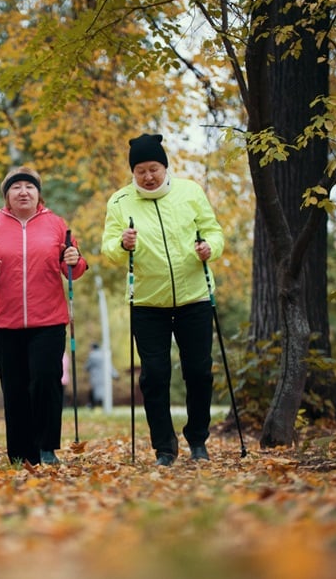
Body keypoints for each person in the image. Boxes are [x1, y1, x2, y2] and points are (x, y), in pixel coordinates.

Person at [101, 133, 225, 466]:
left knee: (198, 372)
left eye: (154, 168)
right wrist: (122, 244)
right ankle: (164, 448)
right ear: (133, 172)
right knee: (154, 377)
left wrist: (210, 248)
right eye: (140, 170)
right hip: (147, 303)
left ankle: (198, 439)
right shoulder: (119, 201)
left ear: (165, 167)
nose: (148, 176)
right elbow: (108, 248)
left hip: (194, 298)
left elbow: (213, 231)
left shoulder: (190, 192)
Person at [0, 166, 87, 466]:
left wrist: (74, 260)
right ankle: (21, 454)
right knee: (16, 388)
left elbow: (74, 267)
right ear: (7, 195)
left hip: (49, 319)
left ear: (38, 193)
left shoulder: (56, 224)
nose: (23, 192)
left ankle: (47, 448)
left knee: (46, 381)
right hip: (5, 321)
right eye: (16, 187)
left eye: (29, 187)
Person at [84, 342, 118, 408]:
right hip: (105, 377)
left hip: (95, 377)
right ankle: (103, 406)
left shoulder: (92, 356)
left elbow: (86, 367)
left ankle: (92, 406)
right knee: (104, 393)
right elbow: (110, 366)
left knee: (95, 392)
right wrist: (115, 374)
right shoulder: (104, 355)